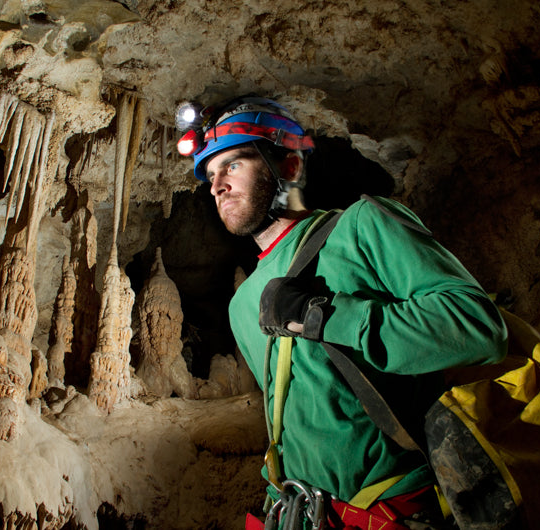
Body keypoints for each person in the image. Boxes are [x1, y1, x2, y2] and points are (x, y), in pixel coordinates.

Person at [176, 96, 508, 529]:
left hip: (389, 513)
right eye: (211, 174)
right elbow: (296, 421)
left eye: (234, 165)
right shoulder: (242, 304)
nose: (217, 184)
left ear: (290, 168)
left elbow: (478, 327)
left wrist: (327, 317)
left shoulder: (363, 227)